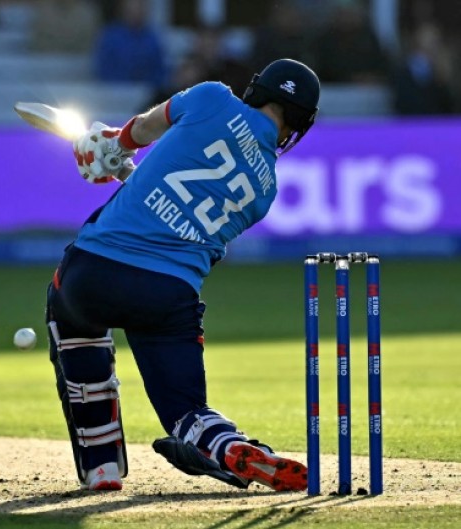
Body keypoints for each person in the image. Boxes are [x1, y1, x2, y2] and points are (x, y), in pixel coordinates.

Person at [46, 58, 320, 491]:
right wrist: (131, 173)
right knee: (185, 410)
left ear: (257, 90)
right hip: (169, 294)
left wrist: (112, 148)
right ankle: (228, 446)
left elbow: (142, 130)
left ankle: (102, 466)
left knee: (71, 315)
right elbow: (197, 241)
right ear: (298, 124)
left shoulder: (212, 97)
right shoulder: (265, 190)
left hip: (96, 272)